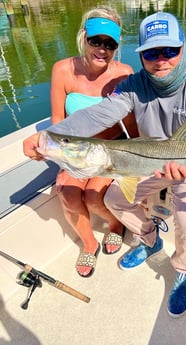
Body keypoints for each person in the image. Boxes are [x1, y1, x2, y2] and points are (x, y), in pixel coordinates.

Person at [23, 12, 186, 317]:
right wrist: (48, 137)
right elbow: (96, 115)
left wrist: (184, 164)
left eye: (170, 50)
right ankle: (149, 239)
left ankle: (185, 270)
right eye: (152, 53)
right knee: (115, 198)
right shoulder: (132, 85)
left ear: (183, 47)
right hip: (147, 161)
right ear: (141, 55)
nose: (162, 60)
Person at [50, 6, 138, 277]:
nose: (102, 49)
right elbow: (57, 123)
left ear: (116, 46)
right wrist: (63, 160)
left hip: (111, 150)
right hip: (76, 149)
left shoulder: (124, 74)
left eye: (110, 43)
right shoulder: (62, 70)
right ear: (84, 38)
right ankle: (89, 243)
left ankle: (114, 225)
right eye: (96, 41)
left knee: (94, 196)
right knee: (67, 193)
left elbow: (132, 125)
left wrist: (137, 157)